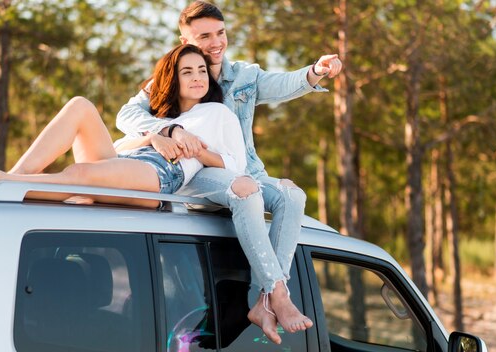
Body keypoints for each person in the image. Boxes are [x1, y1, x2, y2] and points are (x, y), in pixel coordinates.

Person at [114, 1, 343, 344]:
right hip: (194, 173)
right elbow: (126, 116)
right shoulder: (174, 72)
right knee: (244, 189)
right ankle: (279, 294)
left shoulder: (244, 76)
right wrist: (168, 132)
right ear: (184, 39)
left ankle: (265, 300)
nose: (216, 42)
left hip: (238, 167)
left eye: (220, 33)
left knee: (293, 195)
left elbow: (282, 83)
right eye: (204, 36)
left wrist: (315, 71)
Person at [0, 44, 245, 210]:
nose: (197, 77)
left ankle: (5, 184)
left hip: (160, 174)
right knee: (80, 105)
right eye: (187, 71)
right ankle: (13, 176)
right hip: (128, 162)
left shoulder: (218, 113)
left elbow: (238, 169)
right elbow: (120, 147)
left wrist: (198, 151)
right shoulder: (160, 118)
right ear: (173, 79)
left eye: (201, 70)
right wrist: (155, 137)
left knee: (82, 172)